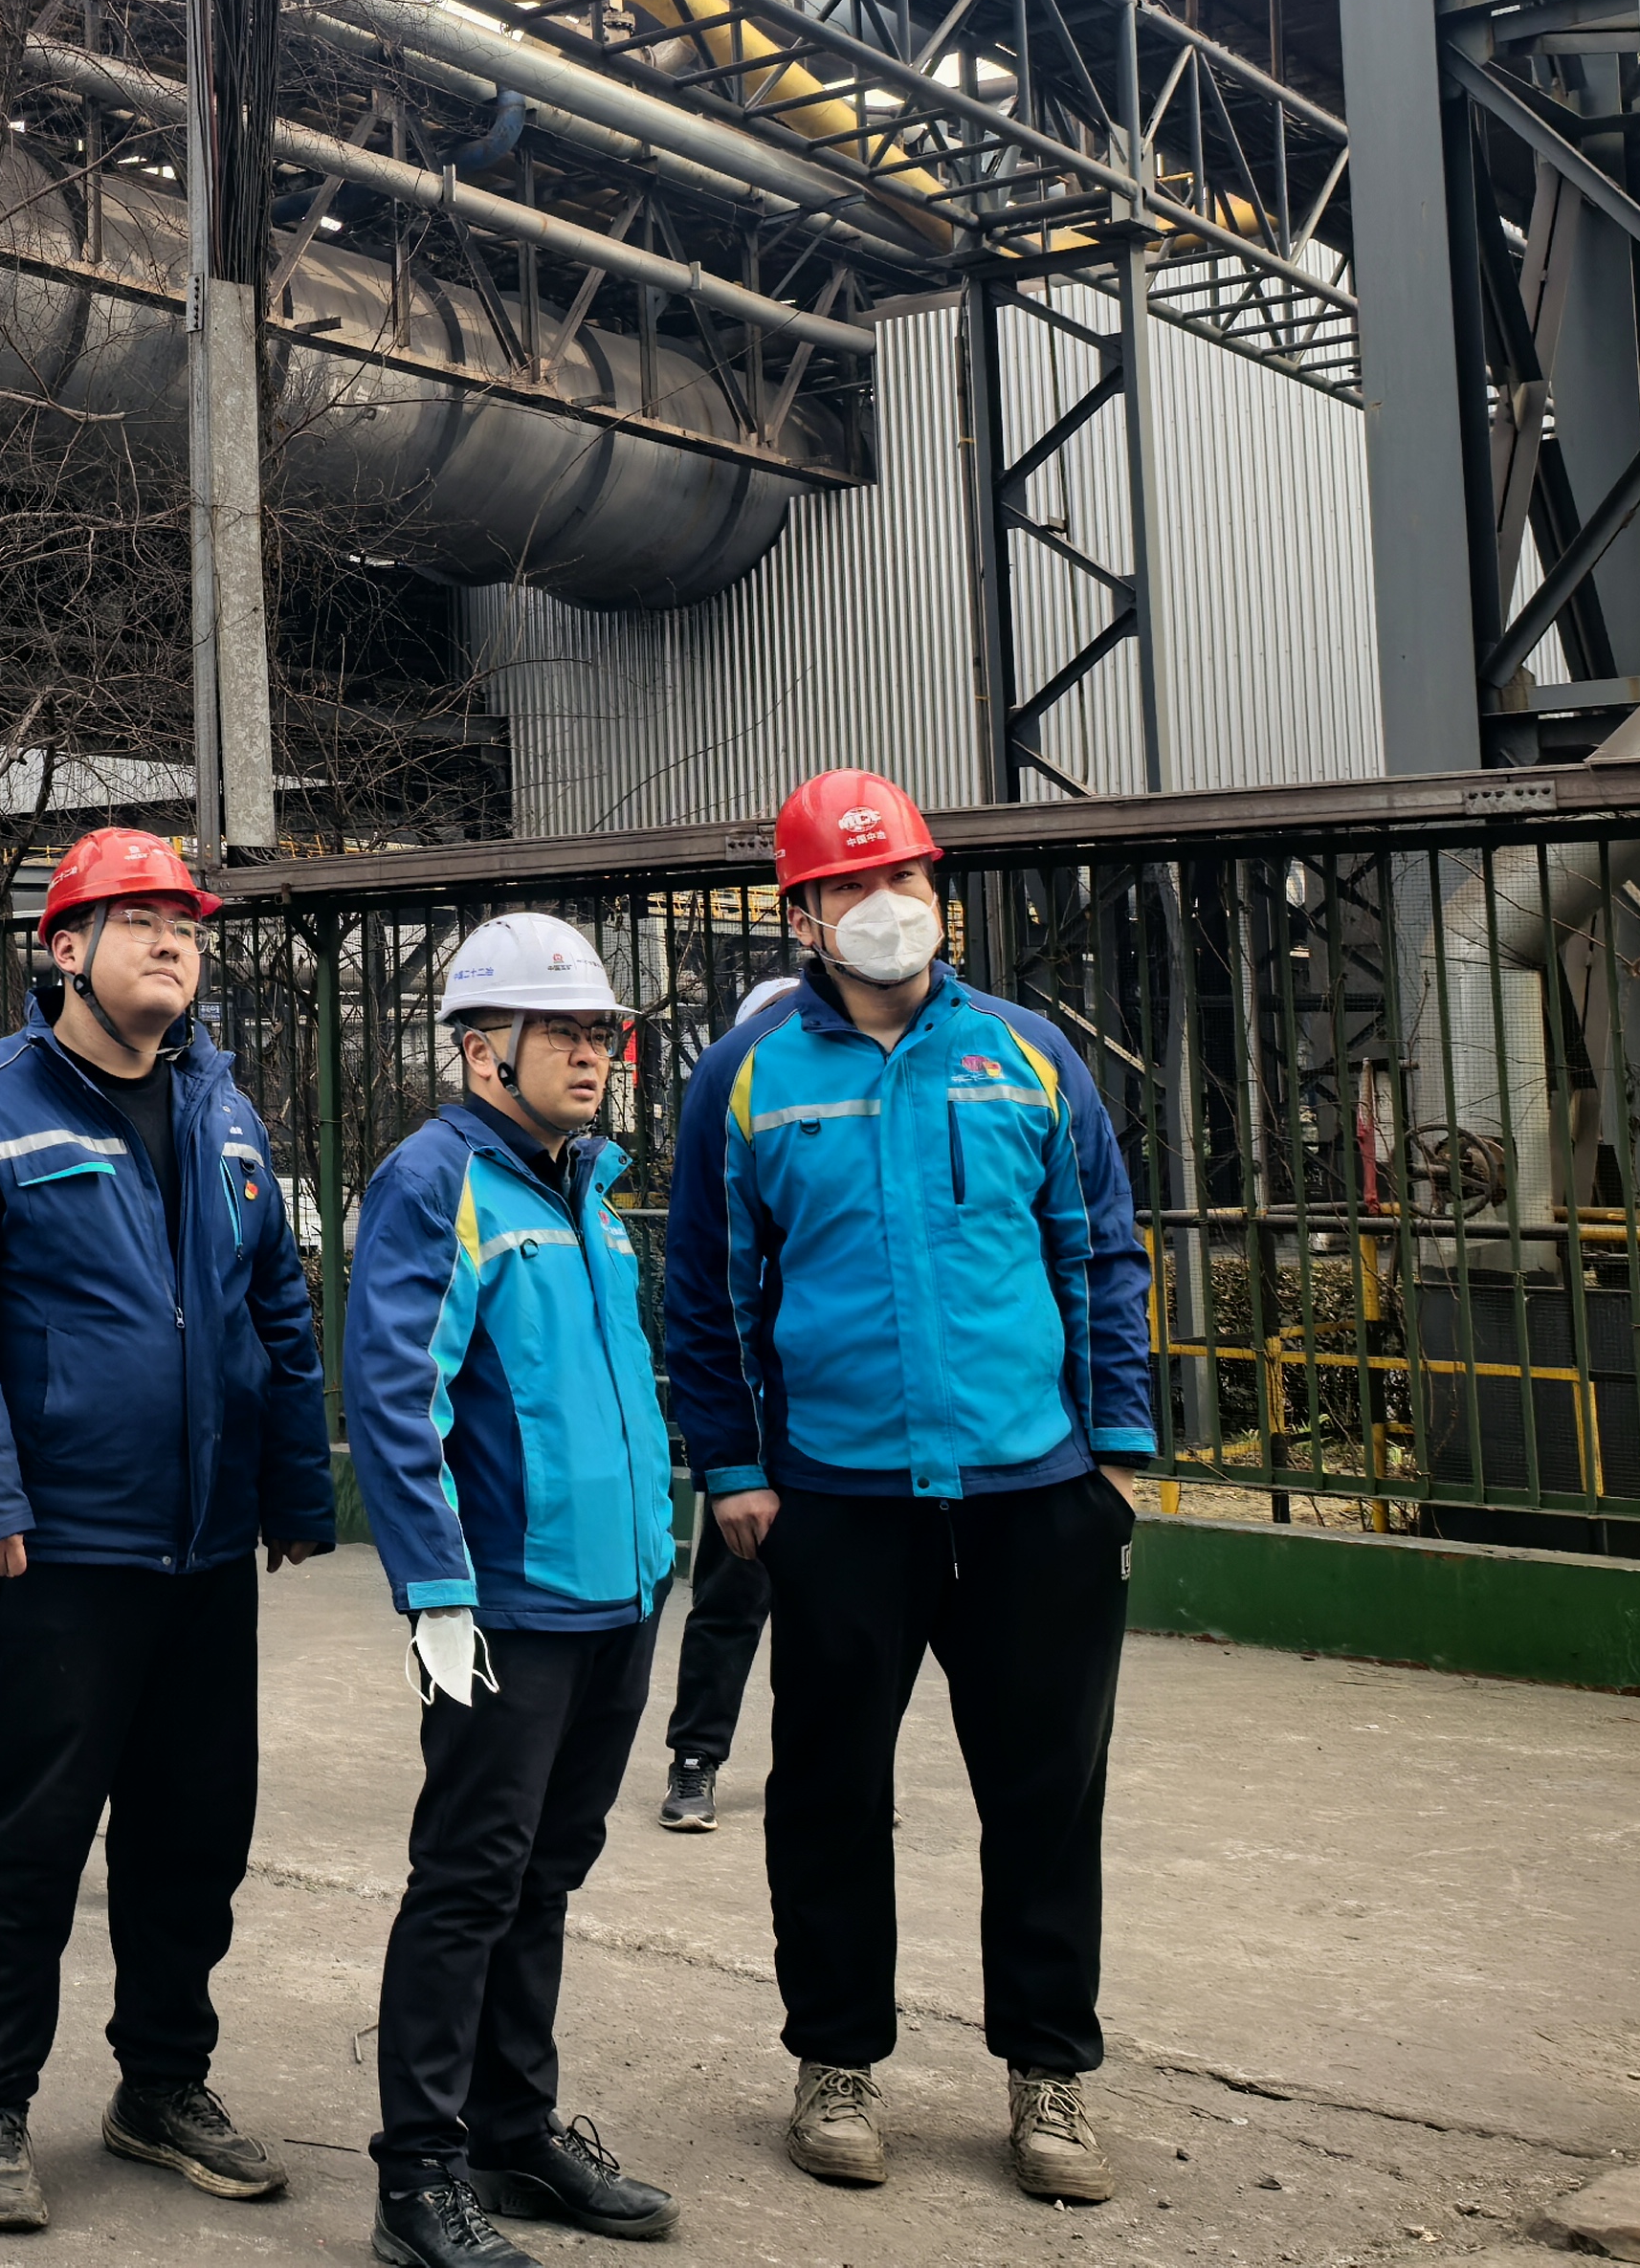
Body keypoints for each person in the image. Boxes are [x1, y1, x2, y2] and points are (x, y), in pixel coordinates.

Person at [664, 772, 1155, 2209]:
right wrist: (733, 1467)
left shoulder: (1027, 1056)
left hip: (1032, 1493)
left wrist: (1113, 1451)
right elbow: (707, 1290)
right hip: (838, 1500)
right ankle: (835, 2060)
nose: (889, 907)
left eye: (910, 881)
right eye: (854, 886)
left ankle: (1049, 2073)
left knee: (1047, 1792)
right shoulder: (746, 1079)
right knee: (826, 1790)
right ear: (803, 916)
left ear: (939, 895)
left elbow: (1099, 1250)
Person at [0, 828, 334, 2235]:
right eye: (137, 918)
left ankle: (162, 2085)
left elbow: (276, 1306)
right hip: (57, 1549)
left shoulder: (224, 1112)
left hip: (203, 1546)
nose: (171, 941)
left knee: (194, 1832)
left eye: (183, 922)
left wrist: (293, 1492)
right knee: (28, 1834)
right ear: (64, 948)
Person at [340, 916, 681, 2268]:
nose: (594, 1056)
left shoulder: (585, 1185)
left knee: (545, 1874)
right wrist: (436, 1592)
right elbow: (395, 1395)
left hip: (616, 1597)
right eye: (566, 1033)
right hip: (504, 1612)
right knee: (470, 1881)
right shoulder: (438, 1183)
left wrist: (655, 1555)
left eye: (603, 1034)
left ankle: (512, 2130)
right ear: (484, 1048)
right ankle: (417, 2179)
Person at [660, 971, 795, 1838]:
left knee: (846, 1626)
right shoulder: (728, 1157)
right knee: (729, 1601)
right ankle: (696, 1757)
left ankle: (841, 1766)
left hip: (841, 1435)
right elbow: (706, 1306)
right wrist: (729, 1456)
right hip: (755, 1431)